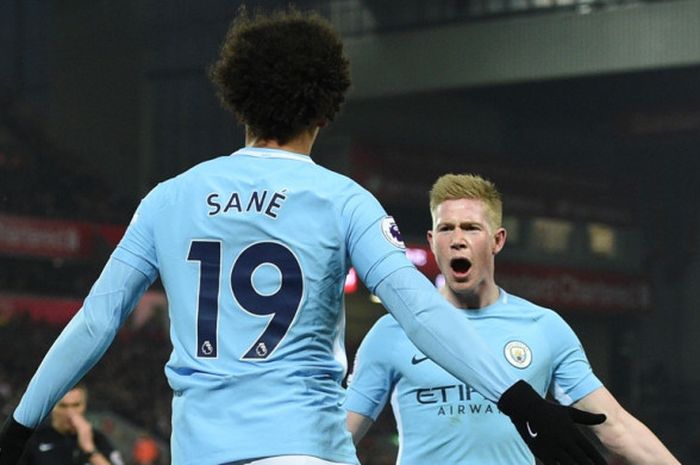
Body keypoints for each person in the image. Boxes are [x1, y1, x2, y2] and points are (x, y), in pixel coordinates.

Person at [0, 9, 606, 465]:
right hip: (303, 448)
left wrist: (19, 428)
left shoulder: (168, 198)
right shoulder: (344, 201)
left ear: (238, 101)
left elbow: (95, 322)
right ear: (324, 109)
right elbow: (420, 312)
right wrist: (520, 400)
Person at [344, 173, 680, 465]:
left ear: (497, 240)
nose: (457, 239)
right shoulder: (392, 332)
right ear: (432, 242)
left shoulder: (543, 327)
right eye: (446, 228)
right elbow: (341, 435)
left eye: (471, 228)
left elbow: (616, 426)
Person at [18, 385, 124, 465]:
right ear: (53, 407)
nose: (70, 412)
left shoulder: (98, 440)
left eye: (76, 405)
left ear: (84, 406)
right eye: (63, 406)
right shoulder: (34, 440)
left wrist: (89, 449)